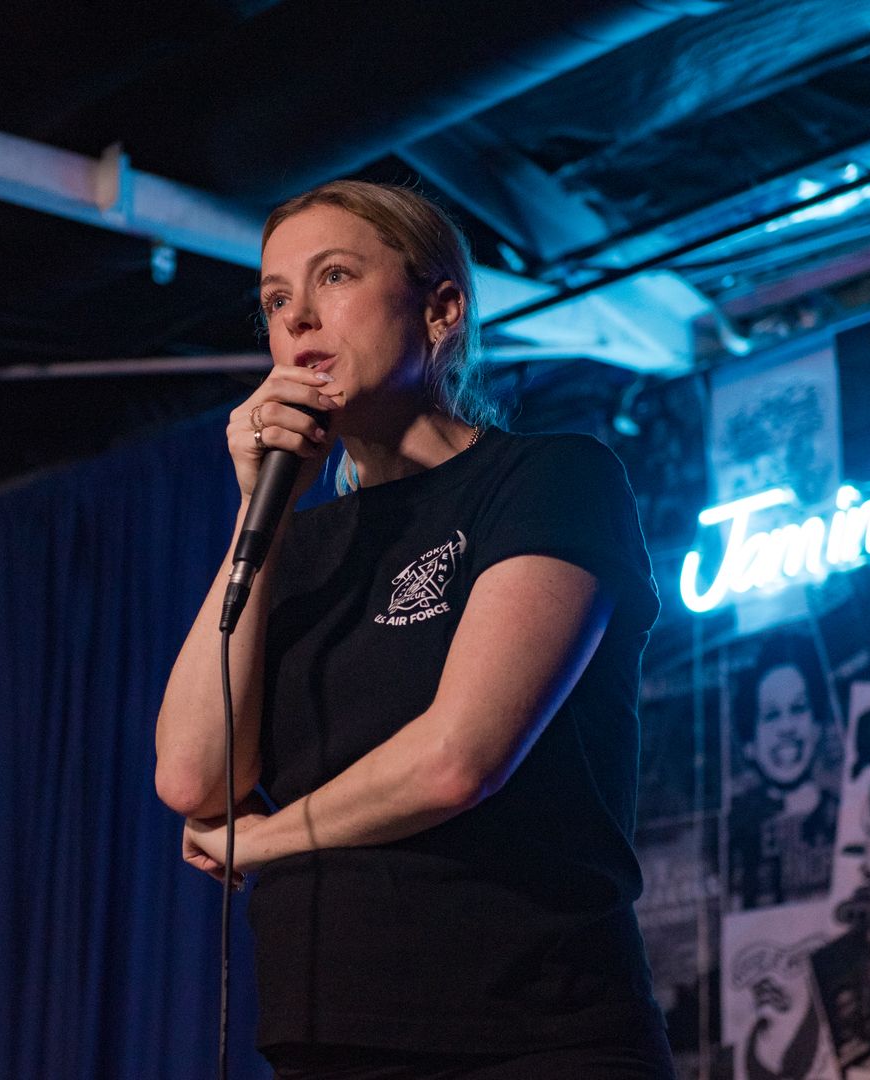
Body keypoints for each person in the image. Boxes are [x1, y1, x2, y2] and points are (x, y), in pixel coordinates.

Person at [153, 180, 669, 1076]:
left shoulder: (550, 480)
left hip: (531, 1033)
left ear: (440, 309)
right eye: (276, 300)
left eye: (336, 276)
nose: (300, 319)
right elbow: (194, 774)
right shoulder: (295, 545)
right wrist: (255, 513)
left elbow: (456, 760)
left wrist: (264, 840)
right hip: (329, 1036)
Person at [727, 636, 838, 909]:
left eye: (798, 708)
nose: (787, 727)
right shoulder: (734, 833)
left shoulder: (842, 814)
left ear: (817, 725)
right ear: (750, 743)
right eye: (771, 715)